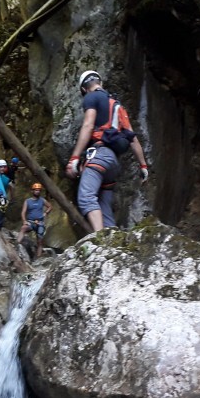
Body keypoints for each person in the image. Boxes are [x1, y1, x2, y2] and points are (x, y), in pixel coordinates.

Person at [65, 70, 149, 231]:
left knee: (86, 197)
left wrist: (75, 157)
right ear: (100, 82)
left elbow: (89, 125)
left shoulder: (91, 97)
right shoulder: (118, 106)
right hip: (113, 164)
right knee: (104, 205)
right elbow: (133, 138)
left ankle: (100, 241)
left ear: (83, 89)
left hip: (99, 156)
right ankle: (112, 240)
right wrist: (143, 166)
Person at [17, 183, 52, 258]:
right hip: (30, 222)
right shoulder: (27, 201)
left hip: (40, 223)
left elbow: (50, 206)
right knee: (23, 228)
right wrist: (24, 221)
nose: (37, 191)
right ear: (32, 191)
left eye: (39, 190)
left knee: (40, 241)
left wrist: (46, 213)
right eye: (36, 190)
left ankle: (38, 258)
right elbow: (23, 212)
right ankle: (17, 245)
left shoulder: (42, 200)